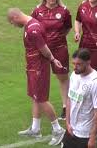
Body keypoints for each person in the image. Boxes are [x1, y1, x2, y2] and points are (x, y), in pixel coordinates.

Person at [7, 8, 65, 146]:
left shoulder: (33, 29)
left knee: (42, 99)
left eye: (12, 23)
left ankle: (58, 130)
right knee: (35, 97)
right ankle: (35, 128)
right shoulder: (30, 26)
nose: (13, 26)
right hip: (33, 67)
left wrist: (52, 59)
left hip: (39, 68)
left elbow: (44, 48)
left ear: (15, 17)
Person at [31, 0, 72, 120]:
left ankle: (66, 107)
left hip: (59, 49)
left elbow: (67, 28)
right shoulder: (38, 11)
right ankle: (40, 108)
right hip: (42, 51)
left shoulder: (64, 11)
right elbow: (33, 27)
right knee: (40, 79)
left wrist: (57, 39)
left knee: (62, 77)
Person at [62, 48, 97, 148]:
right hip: (71, 129)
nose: (75, 67)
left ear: (88, 62)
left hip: (86, 134)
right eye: (73, 63)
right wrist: (68, 123)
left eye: (79, 64)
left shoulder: (96, 82)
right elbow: (69, 99)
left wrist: (93, 137)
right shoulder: (74, 75)